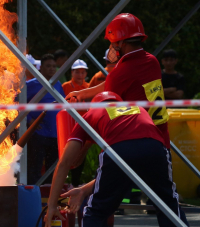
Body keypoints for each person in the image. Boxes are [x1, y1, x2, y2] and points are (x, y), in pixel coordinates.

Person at [44, 92, 200, 227]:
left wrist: (52, 204)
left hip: (118, 149)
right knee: (168, 204)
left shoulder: (91, 114)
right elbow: (128, 168)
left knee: (95, 209)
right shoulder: (138, 108)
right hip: (155, 148)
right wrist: (84, 189)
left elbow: (64, 163)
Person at [65, 13, 171, 149]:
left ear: (122, 42)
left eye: (112, 42)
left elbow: (102, 114)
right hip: (162, 140)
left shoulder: (120, 73)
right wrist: (82, 94)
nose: (111, 48)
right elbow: (120, 82)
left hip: (136, 143)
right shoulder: (152, 61)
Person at [25, 53, 65, 185]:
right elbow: (16, 102)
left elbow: (64, 105)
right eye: (48, 66)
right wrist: (30, 119)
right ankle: (33, 196)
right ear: (41, 68)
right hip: (38, 134)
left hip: (55, 134)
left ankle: (48, 197)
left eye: (54, 66)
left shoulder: (58, 84)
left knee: (52, 169)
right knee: (34, 168)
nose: (52, 69)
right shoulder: (30, 85)